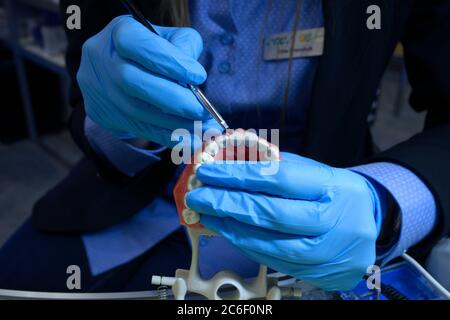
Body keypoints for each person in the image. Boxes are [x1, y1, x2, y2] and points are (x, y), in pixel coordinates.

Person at [0, 0, 449, 293]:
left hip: (316, 209)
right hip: (134, 197)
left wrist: (385, 204)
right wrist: (118, 119)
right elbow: (90, 90)